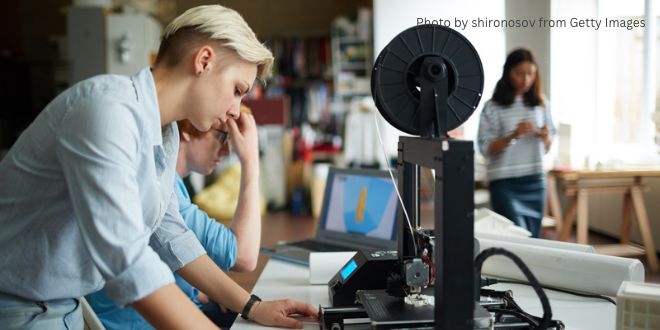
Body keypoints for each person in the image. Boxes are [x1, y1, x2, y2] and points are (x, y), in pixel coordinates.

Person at [0, 4, 316, 329]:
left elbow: (170, 236)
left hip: (59, 307)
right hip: (20, 310)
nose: (236, 110)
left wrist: (252, 307)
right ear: (204, 61)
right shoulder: (108, 111)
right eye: (237, 90)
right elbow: (128, 263)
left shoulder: (164, 134)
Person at [87, 106, 260, 329]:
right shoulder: (165, 190)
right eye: (223, 137)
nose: (227, 152)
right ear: (189, 128)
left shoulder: (174, 185)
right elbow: (243, 256)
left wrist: (199, 292)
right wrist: (251, 161)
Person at [477, 48, 556, 238]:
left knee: (534, 238)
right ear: (507, 73)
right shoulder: (492, 107)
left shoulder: (541, 104)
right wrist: (513, 135)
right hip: (505, 183)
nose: (526, 79)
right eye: (519, 73)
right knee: (514, 238)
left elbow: (547, 146)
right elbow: (485, 148)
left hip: (535, 180)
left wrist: (546, 138)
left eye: (531, 74)